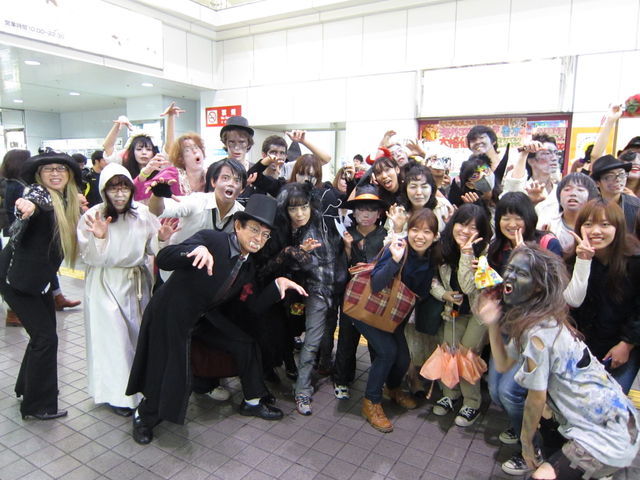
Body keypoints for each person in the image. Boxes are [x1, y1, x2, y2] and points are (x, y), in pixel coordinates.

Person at [126, 194, 307, 444]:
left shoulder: (248, 266)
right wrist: (192, 250)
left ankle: (253, 401)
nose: (259, 238)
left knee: (244, 344)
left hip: (203, 318)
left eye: (265, 235)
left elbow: (252, 305)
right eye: (254, 230)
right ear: (238, 225)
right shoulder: (211, 240)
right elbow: (166, 257)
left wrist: (277, 286)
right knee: (168, 368)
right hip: (170, 314)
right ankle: (144, 417)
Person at [479, 245, 639, 480]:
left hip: (606, 435)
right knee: (550, 431)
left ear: (539, 287)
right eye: (510, 269)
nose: (510, 276)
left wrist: (526, 444)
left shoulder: (539, 333)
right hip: (612, 422)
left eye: (521, 273)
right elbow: (503, 364)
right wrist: (492, 323)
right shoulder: (535, 320)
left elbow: (536, 399)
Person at [78, 163, 174, 417]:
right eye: (113, 188)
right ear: (103, 190)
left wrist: (161, 238)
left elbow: (152, 248)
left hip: (136, 283)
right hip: (105, 283)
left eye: (124, 188)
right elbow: (88, 256)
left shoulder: (142, 213)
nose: (119, 194)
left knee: (137, 338)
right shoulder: (93, 216)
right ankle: (119, 395)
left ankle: (140, 388)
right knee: (114, 341)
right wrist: (100, 238)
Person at [0, 151, 82, 420]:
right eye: (48, 169)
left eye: (61, 168)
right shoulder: (39, 195)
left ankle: (28, 388)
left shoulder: (65, 199)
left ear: (69, 174)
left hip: (37, 281)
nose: (55, 173)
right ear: (39, 175)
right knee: (45, 338)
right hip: (17, 280)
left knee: (43, 337)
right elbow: (31, 202)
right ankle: (37, 406)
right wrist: (25, 207)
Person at [256, 183, 345, 415]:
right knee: (311, 340)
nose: (299, 213)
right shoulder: (285, 231)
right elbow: (297, 267)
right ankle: (302, 391)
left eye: (304, 207)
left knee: (328, 334)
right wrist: (299, 252)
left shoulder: (322, 222)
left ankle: (325, 365)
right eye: (293, 209)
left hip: (336, 289)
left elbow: (333, 255)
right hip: (313, 291)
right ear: (285, 210)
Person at [355, 209, 438, 433]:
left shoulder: (431, 259)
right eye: (415, 230)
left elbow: (421, 293)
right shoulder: (398, 247)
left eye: (427, 232)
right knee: (387, 353)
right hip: (369, 312)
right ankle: (370, 402)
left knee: (402, 360)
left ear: (435, 236)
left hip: (394, 317)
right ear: (408, 231)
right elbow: (376, 283)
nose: (420, 236)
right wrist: (394, 260)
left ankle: (392, 389)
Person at [565, 199, 640, 394]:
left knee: (611, 397)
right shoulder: (571, 261)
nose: (595, 231)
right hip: (583, 345)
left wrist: (627, 344)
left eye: (605, 224)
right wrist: (583, 261)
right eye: (588, 224)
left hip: (623, 344)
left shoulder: (634, 262)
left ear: (618, 228)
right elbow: (571, 303)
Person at [431, 204, 491, 427]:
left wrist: (467, 253)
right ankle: (450, 394)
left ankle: (471, 402)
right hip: (453, 311)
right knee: (449, 351)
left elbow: (468, 286)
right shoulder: (442, 246)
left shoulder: (485, 253)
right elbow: (432, 279)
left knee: (467, 355)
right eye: (462, 224)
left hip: (478, 312)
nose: (465, 231)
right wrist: (443, 294)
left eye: (473, 228)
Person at [333, 186, 387, 400]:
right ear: (353, 213)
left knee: (377, 342)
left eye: (371, 210)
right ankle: (341, 380)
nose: (365, 214)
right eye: (361, 209)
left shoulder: (385, 236)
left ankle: (378, 381)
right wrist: (347, 248)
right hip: (351, 296)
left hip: (376, 296)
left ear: (379, 214)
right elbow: (340, 269)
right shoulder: (346, 234)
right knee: (347, 338)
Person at [0, 149, 30, 327]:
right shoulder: (18, 186)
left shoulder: (10, 183)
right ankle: (12, 311)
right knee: (11, 272)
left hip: (10, 233)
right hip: (16, 234)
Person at [543, 173, 599, 257]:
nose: (573, 193)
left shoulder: (597, 227)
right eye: (567, 189)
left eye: (580, 190)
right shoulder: (547, 224)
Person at [590, 154, 640, 234]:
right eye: (610, 176)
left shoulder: (636, 206)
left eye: (622, 174)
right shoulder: (589, 207)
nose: (618, 180)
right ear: (597, 183)